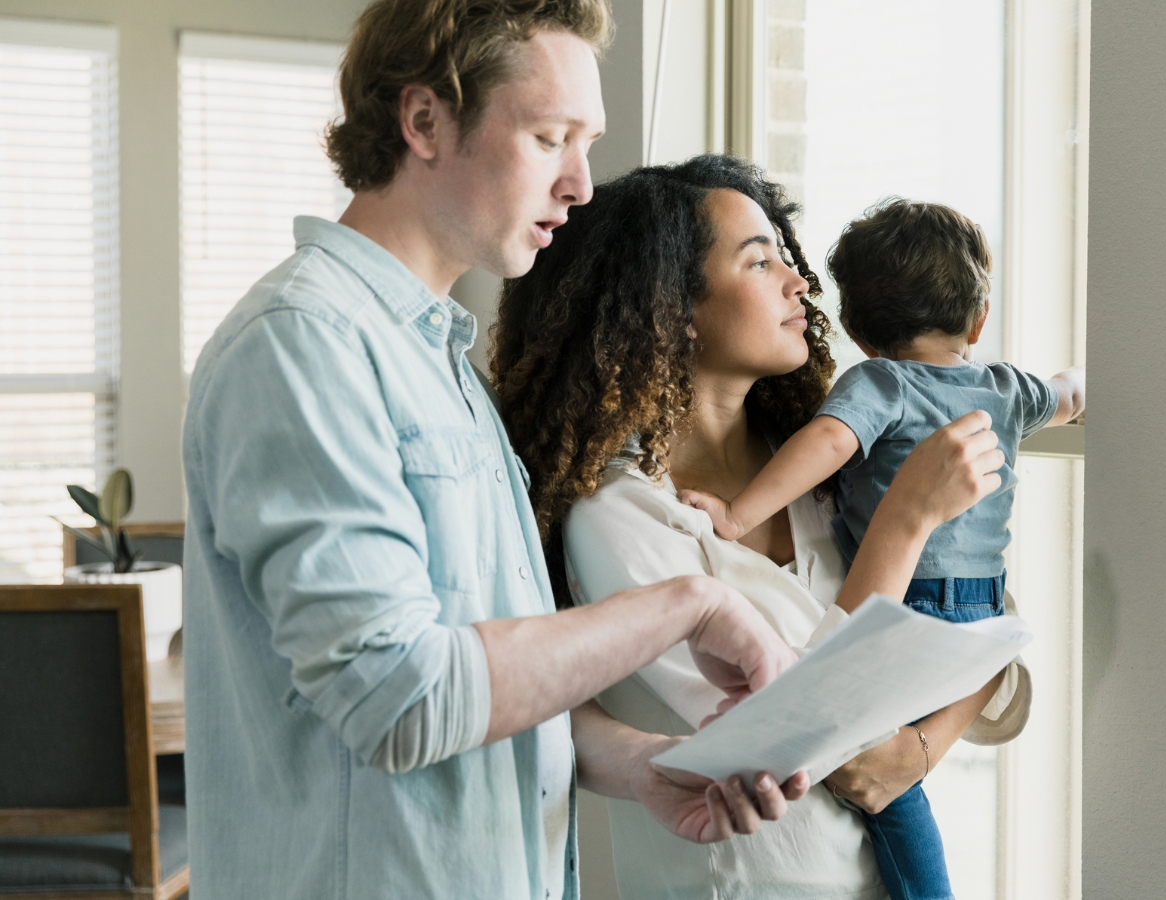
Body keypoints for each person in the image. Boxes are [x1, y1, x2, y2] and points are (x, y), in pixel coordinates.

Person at [182, 4, 808, 898]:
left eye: (586, 142)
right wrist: (688, 605)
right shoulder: (301, 344)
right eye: (551, 137)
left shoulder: (444, 367)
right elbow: (398, 696)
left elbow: (485, 682)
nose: (581, 185)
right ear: (425, 121)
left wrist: (642, 765)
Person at [492, 155, 1031, 900]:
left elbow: (978, 628)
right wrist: (905, 521)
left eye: (788, 256)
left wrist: (917, 752)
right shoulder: (619, 513)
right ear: (671, 306)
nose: (800, 282)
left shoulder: (818, 466)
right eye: (760, 260)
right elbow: (805, 728)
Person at [676, 197, 1084, 900]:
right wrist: (1082, 392)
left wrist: (738, 515)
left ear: (860, 332)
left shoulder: (881, 383)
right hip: (984, 614)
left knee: (888, 791)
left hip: (913, 612)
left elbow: (829, 443)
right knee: (895, 768)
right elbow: (1067, 393)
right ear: (977, 320)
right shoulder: (1007, 386)